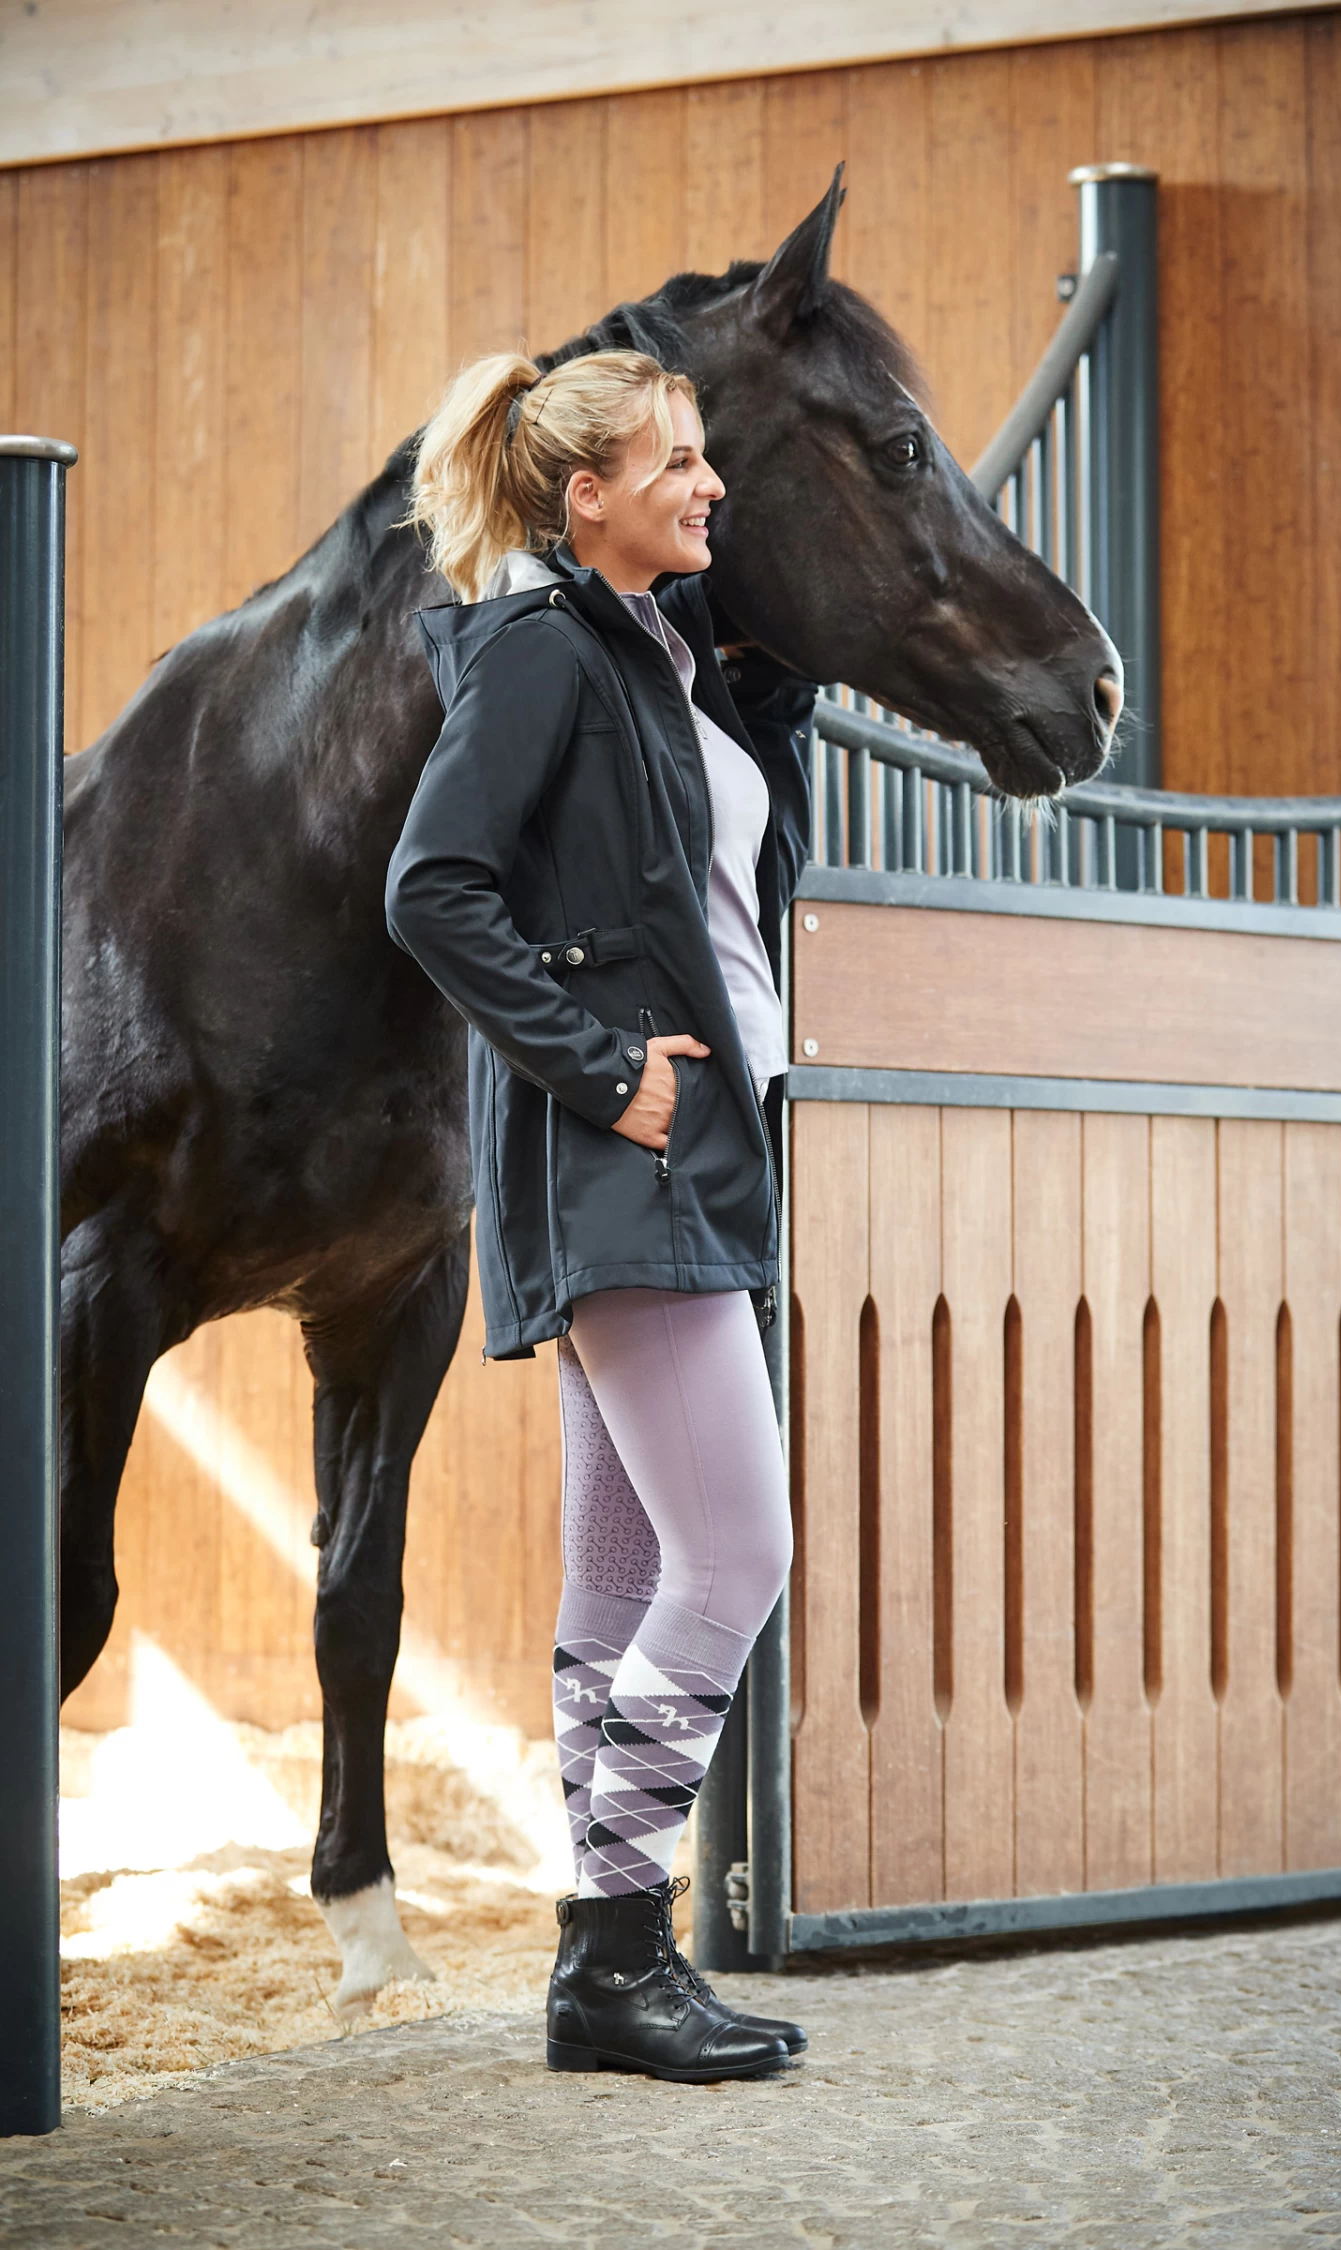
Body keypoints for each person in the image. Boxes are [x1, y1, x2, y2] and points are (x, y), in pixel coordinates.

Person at [386, 348, 816, 2081]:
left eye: (707, 457)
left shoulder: (652, 654)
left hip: (675, 1146)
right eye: (677, 460)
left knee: (629, 1566)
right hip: (625, 1155)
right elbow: (434, 888)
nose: (710, 484)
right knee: (741, 1554)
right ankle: (617, 1949)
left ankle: (609, 1973)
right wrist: (599, 1065)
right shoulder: (545, 650)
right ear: (586, 496)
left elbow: (692, 891)